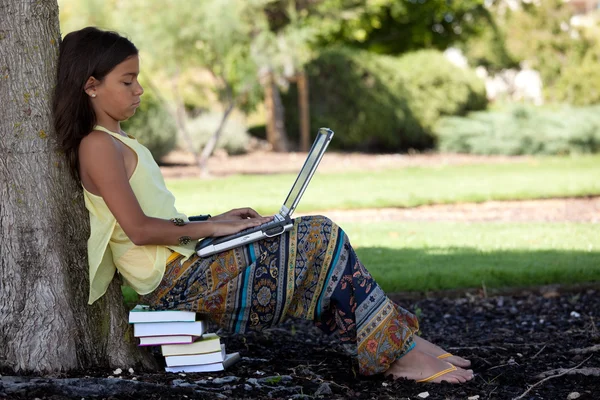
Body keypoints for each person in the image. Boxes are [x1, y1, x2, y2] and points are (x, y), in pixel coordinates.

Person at [53, 27, 474, 384]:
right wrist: (214, 230)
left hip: (191, 261)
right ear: (91, 86)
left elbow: (156, 219)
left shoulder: (120, 142)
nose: (139, 89)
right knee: (318, 239)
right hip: (175, 282)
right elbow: (140, 229)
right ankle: (399, 353)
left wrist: (216, 220)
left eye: (137, 79)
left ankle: (402, 343)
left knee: (312, 241)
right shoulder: (97, 146)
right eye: (127, 81)